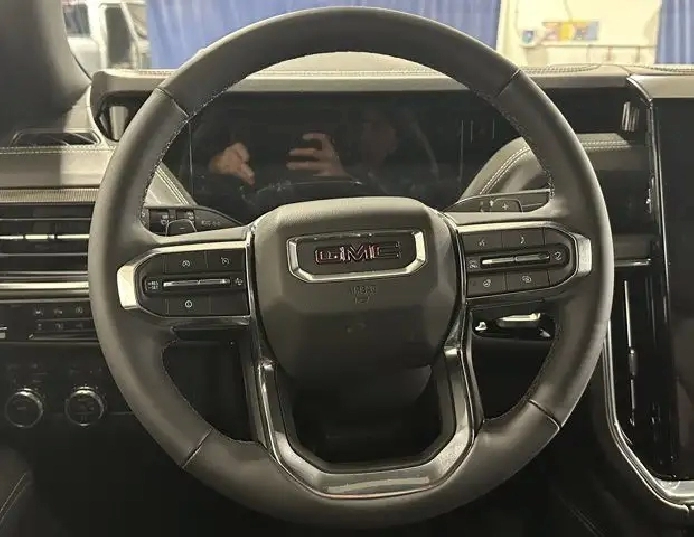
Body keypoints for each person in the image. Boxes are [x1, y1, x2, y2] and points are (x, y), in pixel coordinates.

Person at [187, 106, 453, 221]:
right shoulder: (262, 170)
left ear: (397, 140)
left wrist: (344, 182)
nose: (363, 132)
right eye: (358, 123)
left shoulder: (409, 184)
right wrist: (216, 167)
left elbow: (426, 206)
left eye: (376, 125)